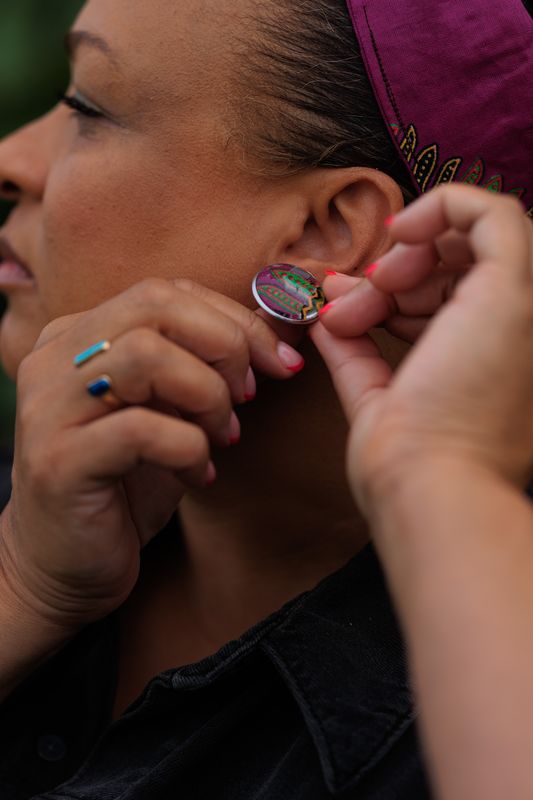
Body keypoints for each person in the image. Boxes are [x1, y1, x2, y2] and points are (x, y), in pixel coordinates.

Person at [0, 0, 531, 798]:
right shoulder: (32, 502)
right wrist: (19, 592)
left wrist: (439, 484)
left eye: (87, 107)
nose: (9, 156)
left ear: (325, 231)